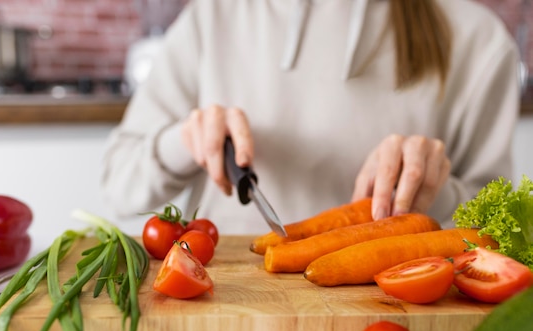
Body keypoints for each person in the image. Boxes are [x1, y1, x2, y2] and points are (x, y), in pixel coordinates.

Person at [101, 0, 521, 235]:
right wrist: (185, 140)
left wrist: (436, 191)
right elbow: (119, 187)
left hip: (396, 320)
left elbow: (503, 234)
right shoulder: (213, 16)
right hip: (223, 311)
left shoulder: (478, 42)